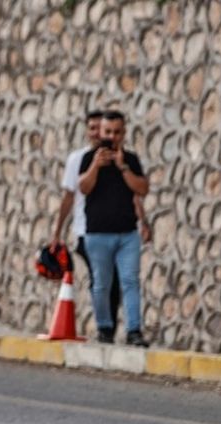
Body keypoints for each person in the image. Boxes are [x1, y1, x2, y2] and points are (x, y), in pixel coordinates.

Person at [78, 110, 151, 346]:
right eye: (108, 132)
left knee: (130, 281)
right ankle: (105, 327)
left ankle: (133, 330)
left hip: (127, 233)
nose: (112, 137)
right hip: (98, 234)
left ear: (124, 133)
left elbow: (142, 189)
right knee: (101, 284)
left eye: (117, 132)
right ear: (100, 132)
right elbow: (84, 188)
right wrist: (96, 167)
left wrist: (123, 167)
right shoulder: (89, 159)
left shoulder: (130, 160)